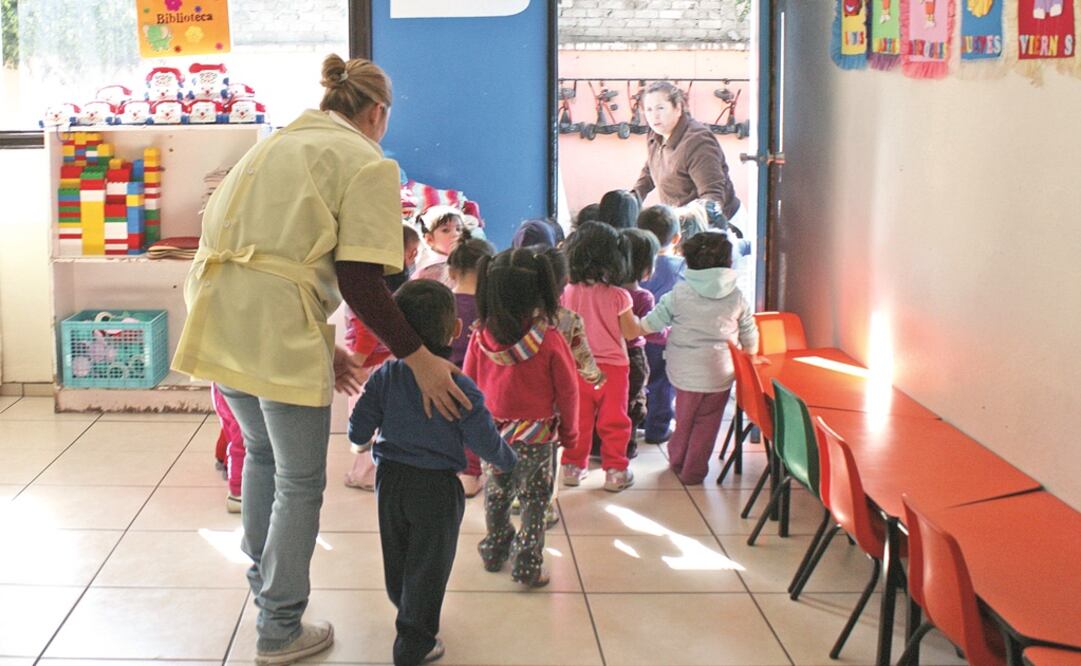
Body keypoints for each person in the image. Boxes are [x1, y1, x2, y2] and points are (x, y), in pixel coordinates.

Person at [172, 54, 470, 664]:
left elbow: (269, 256)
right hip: (272, 323)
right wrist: (420, 358)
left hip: (221, 311)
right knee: (301, 483)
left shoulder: (274, 144)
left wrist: (320, 341)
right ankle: (279, 630)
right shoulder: (365, 160)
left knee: (260, 457)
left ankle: (267, 598)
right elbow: (361, 279)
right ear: (377, 112)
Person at [348, 280, 517, 666]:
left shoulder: (386, 375)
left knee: (399, 550)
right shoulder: (460, 386)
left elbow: (360, 422)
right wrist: (510, 463)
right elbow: (485, 440)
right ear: (456, 329)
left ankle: (405, 605)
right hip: (438, 488)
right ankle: (415, 642)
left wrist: (358, 444)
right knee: (430, 562)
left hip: (390, 480)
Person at [464, 247, 580, 586]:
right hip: (537, 438)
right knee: (533, 501)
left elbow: (467, 388)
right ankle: (528, 565)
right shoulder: (550, 341)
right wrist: (571, 435)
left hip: (492, 434)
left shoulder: (478, 337)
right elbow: (569, 394)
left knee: (497, 495)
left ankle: (494, 549)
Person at [635, 230, 758, 485]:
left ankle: (677, 459)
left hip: (685, 373)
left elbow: (651, 324)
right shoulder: (736, 296)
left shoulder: (679, 294)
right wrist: (751, 354)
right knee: (708, 423)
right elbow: (749, 330)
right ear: (728, 263)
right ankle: (694, 471)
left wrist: (632, 322)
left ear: (689, 262)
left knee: (684, 419)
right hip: (721, 373)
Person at [558, 222, 637, 492]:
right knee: (614, 419)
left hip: (576, 366)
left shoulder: (567, 292)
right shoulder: (619, 296)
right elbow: (630, 332)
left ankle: (572, 466)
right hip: (614, 368)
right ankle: (615, 471)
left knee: (578, 418)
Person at [343, 223, 422, 492]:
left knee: (363, 420)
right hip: (383, 361)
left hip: (368, 365)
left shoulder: (368, 286)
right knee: (379, 419)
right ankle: (375, 469)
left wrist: (355, 362)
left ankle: (364, 473)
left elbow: (367, 330)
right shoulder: (391, 286)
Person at [633, 81, 742, 230]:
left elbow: (713, 197)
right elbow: (651, 169)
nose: (654, 116)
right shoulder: (656, 133)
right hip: (681, 223)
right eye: (649, 110)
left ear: (678, 108)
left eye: (660, 108)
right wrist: (631, 200)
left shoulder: (698, 141)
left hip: (719, 224)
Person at [447, 238, 497, 498]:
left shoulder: (444, 301)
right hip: (483, 381)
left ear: (451, 271)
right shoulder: (493, 307)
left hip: (443, 378)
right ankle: (470, 474)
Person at [636, 205, 685, 445]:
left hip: (636, 337)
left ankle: (641, 419)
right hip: (665, 340)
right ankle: (657, 429)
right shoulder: (681, 268)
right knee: (662, 383)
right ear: (677, 238)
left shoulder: (634, 267)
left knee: (639, 381)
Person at [619, 228, 659, 460]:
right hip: (633, 355)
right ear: (646, 268)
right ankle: (627, 445)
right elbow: (650, 330)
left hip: (603, 354)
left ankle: (598, 444)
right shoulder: (643, 298)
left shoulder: (607, 293)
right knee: (633, 401)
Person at [413, 206, 469, 286]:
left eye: (458, 229)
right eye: (445, 230)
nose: (456, 234)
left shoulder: (464, 263)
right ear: (429, 239)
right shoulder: (431, 270)